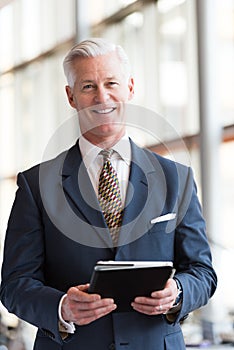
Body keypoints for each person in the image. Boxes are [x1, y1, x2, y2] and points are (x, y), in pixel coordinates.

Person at [0, 38, 217, 350]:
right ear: (71, 96)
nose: (102, 97)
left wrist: (178, 292)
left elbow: (203, 272)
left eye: (111, 83)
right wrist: (61, 307)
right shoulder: (36, 185)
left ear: (129, 87)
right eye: (88, 86)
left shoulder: (176, 179)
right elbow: (14, 285)